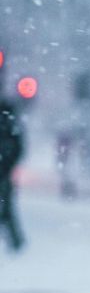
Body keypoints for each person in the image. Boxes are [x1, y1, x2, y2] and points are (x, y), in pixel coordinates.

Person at [0, 98, 25, 251]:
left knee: (7, 208)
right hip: (5, 171)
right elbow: (19, 148)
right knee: (7, 207)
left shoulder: (9, 126)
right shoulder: (11, 124)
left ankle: (16, 241)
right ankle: (16, 241)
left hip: (4, 171)